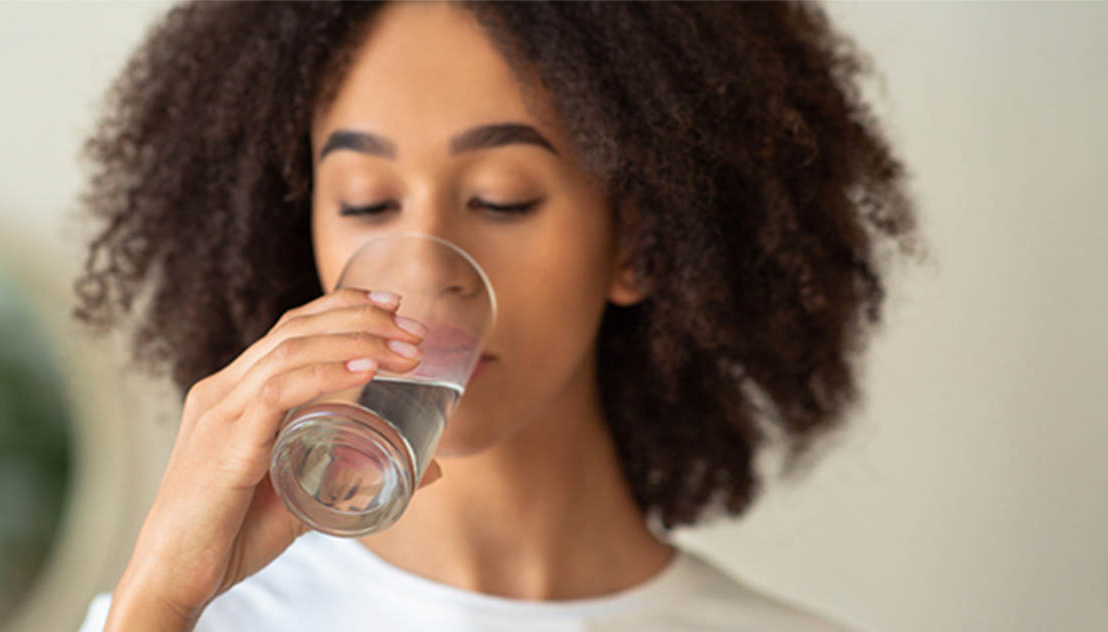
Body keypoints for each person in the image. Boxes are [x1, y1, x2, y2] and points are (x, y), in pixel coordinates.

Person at [70, 1, 916, 631]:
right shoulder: (180, 619)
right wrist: (160, 596)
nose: (429, 264)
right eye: (367, 204)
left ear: (642, 245)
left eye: (500, 199)